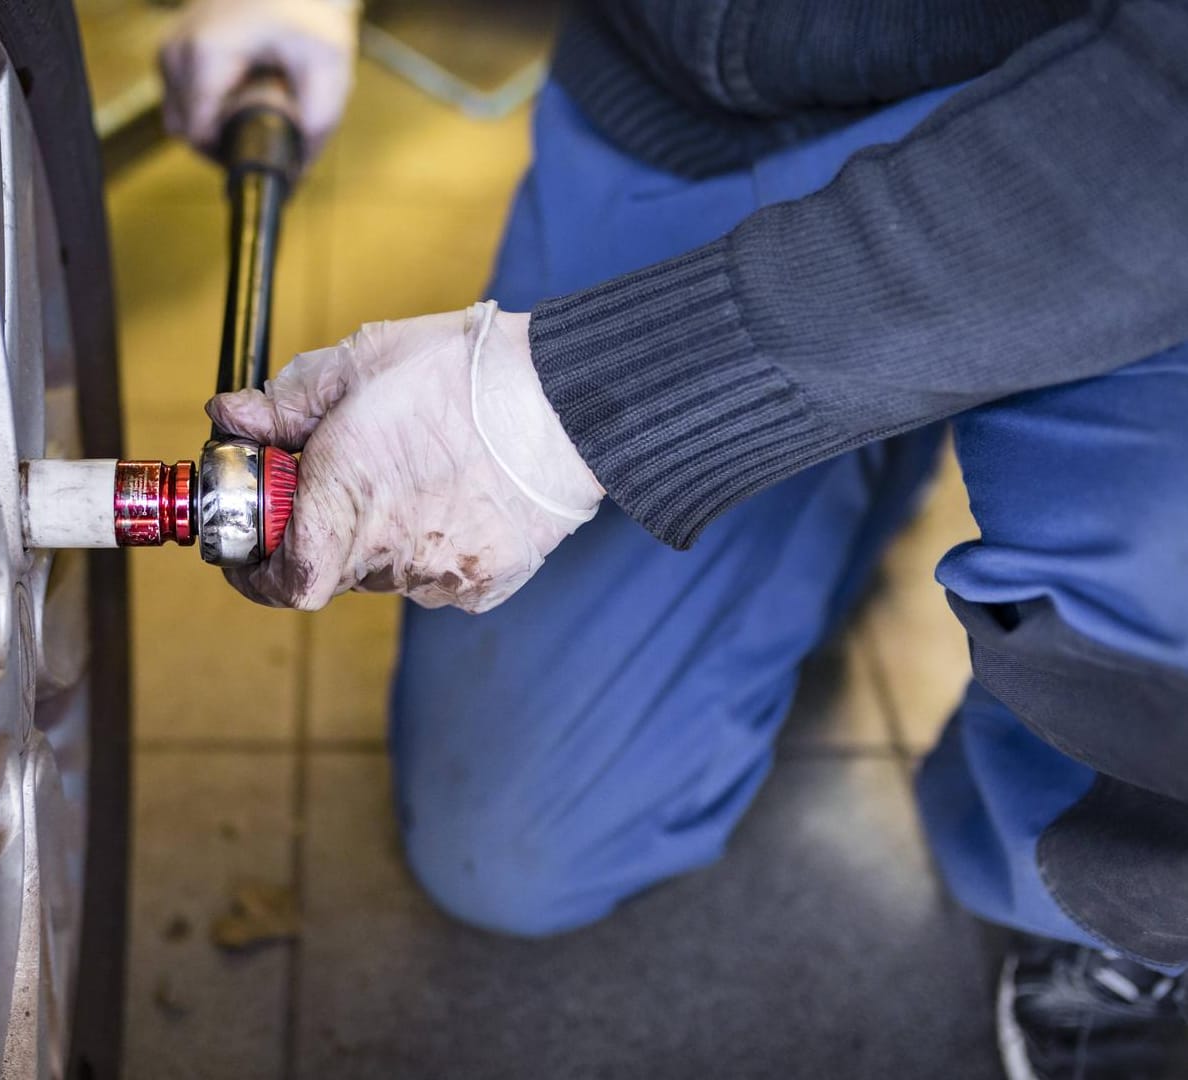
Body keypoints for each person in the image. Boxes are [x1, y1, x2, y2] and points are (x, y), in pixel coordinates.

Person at [159, 1, 1188, 1076]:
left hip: (1111, 148)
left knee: (1163, 585)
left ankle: (1110, 925)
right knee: (514, 852)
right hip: (693, 104)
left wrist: (558, 414)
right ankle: (854, 440)